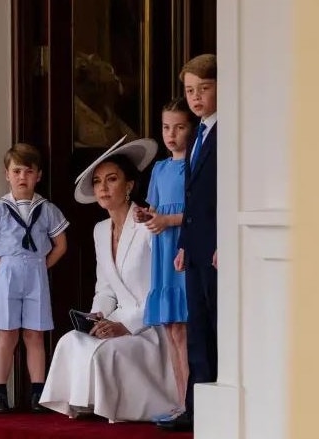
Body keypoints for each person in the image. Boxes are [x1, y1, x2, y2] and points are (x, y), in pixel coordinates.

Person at [39, 137, 177, 423]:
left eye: (111, 179)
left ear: (128, 186)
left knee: (107, 352)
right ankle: (83, 403)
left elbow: (159, 288)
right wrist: (96, 317)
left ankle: (113, 406)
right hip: (115, 318)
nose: (103, 187)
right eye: (98, 181)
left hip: (151, 326)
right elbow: (104, 288)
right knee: (70, 340)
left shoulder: (147, 225)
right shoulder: (100, 230)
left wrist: (125, 326)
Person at [0, 143, 69, 413]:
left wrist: (42, 265)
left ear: (38, 175)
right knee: (6, 335)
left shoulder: (47, 209)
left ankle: (38, 394)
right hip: (9, 271)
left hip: (36, 270)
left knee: (35, 334)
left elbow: (61, 244)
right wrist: (3, 265)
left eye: (28, 171)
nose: (22, 177)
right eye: (16, 171)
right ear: (7, 174)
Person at [157, 54, 218, 433]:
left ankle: (216, 405)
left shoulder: (228, 130)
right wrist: (183, 243)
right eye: (189, 91)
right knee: (196, 330)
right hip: (193, 249)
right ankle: (195, 407)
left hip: (215, 250)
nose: (196, 98)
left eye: (204, 89)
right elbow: (192, 196)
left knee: (215, 326)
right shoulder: (199, 134)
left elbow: (226, 193)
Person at [134, 98, 196, 421]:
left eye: (179, 127)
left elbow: (197, 213)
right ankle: (179, 399)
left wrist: (166, 221)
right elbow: (157, 210)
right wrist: (146, 215)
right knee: (170, 329)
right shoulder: (159, 168)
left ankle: (191, 403)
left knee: (183, 329)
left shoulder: (195, 165)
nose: (171, 134)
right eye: (166, 127)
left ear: (191, 128)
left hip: (181, 250)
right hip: (162, 251)